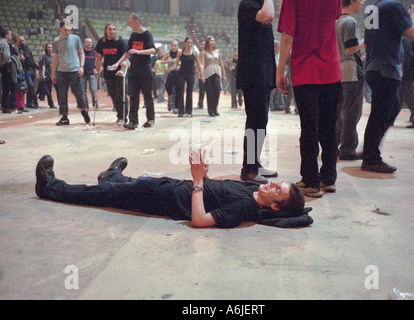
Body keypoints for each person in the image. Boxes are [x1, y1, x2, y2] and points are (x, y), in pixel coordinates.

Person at [34, 150, 312, 229]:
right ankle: (113, 176)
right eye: (278, 182)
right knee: (133, 183)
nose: (273, 183)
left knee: (100, 196)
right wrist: (205, 174)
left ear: (274, 206)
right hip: (172, 187)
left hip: (164, 200)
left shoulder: (247, 208)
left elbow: (200, 220)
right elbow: (221, 187)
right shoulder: (252, 189)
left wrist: (199, 180)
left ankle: (50, 187)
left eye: (278, 190)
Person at [276, 0, 342, 197]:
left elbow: (287, 36)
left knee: (309, 127)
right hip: (331, 67)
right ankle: (328, 179)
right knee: (329, 126)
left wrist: (280, 71)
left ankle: (311, 181)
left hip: (305, 69)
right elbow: (334, 18)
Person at [361, 0, 414, 173]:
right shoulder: (392, 6)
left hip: (374, 66)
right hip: (385, 69)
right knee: (380, 114)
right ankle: (371, 158)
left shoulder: (374, 8)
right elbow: (412, 33)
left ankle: (369, 151)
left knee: (391, 108)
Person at [238, 0, 277, 185]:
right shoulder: (248, 4)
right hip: (253, 72)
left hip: (264, 72)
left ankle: (256, 163)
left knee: (261, 120)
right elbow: (268, 16)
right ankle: (249, 170)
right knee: (255, 120)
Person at [111, 13, 156, 130]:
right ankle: (133, 121)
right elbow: (128, 52)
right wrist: (117, 63)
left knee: (147, 96)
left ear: (136, 22)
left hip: (145, 71)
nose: (129, 25)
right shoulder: (133, 35)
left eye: (130, 22)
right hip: (134, 71)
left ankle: (150, 119)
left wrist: (139, 52)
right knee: (133, 96)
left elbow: (153, 50)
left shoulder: (147, 35)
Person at [336, 0, 365, 160]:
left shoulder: (335, 21)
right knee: (352, 112)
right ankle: (347, 149)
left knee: (340, 111)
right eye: (361, 0)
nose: (363, 2)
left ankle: (335, 146)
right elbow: (350, 49)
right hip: (351, 71)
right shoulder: (350, 22)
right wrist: (364, 43)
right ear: (352, 1)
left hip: (338, 72)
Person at [51, 20, 90, 126]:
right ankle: (64, 117)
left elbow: (82, 53)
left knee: (79, 93)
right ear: (60, 29)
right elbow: (55, 58)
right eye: (65, 30)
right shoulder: (56, 41)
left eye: (69, 30)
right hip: (62, 71)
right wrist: (53, 73)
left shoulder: (76, 39)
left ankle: (83, 109)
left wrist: (81, 67)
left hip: (74, 70)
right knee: (62, 95)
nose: (68, 32)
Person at [95, 22, 129, 125]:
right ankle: (119, 116)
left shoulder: (120, 42)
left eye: (114, 29)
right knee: (113, 95)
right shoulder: (101, 42)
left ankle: (123, 116)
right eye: (110, 29)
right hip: (108, 73)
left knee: (120, 95)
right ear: (106, 30)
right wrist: (97, 69)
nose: (112, 31)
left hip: (119, 72)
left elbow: (126, 57)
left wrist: (122, 70)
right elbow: (99, 57)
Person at [173, 36, 204, 117]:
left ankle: (188, 112)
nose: (190, 44)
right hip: (181, 74)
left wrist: (202, 75)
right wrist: (173, 71)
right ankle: (181, 111)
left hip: (191, 74)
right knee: (180, 92)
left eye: (191, 43)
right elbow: (176, 63)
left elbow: (199, 64)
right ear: (185, 43)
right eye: (188, 42)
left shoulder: (195, 53)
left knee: (189, 92)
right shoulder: (180, 52)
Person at [201, 35, 226, 117]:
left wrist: (224, 74)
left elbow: (221, 63)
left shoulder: (217, 51)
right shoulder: (204, 52)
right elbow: (202, 64)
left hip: (217, 72)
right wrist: (201, 75)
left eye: (214, 41)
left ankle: (215, 108)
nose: (213, 42)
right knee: (209, 92)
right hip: (208, 73)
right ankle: (210, 110)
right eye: (211, 40)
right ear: (208, 42)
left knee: (217, 91)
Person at [18, 36, 39, 109]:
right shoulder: (19, 50)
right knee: (31, 86)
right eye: (20, 41)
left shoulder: (27, 48)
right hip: (26, 70)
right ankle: (35, 102)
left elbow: (32, 59)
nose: (22, 42)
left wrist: (36, 68)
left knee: (32, 88)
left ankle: (30, 103)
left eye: (23, 40)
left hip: (32, 70)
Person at [162, 39, 182, 114]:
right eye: (173, 45)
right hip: (170, 74)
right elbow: (162, 61)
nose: (174, 47)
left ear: (178, 46)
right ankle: (170, 103)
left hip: (179, 73)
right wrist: (168, 61)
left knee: (177, 91)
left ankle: (175, 106)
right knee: (169, 89)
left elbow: (184, 62)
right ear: (171, 45)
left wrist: (178, 63)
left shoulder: (180, 52)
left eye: (175, 45)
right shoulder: (168, 53)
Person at [1, 28, 16, 114]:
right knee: (6, 87)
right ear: (6, 35)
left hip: (1, 66)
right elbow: (7, 57)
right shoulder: (5, 44)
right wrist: (12, 61)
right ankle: (5, 107)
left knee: (4, 87)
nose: (11, 36)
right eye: (10, 34)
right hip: (5, 67)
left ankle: (4, 106)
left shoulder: (1, 42)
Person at [39, 43, 57, 109]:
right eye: (48, 47)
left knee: (58, 90)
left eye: (51, 47)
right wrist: (43, 75)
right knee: (48, 91)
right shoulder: (45, 56)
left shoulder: (55, 56)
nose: (50, 49)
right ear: (46, 48)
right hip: (48, 75)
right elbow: (43, 66)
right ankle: (51, 104)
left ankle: (61, 104)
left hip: (56, 75)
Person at [81, 38, 98, 111]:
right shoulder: (81, 51)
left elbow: (97, 61)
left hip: (92, 74)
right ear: (84, 43)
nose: (89, 44)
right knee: (83, 91)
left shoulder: (94, 52)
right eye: (88, 42)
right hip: (83, 74)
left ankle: (95, 103)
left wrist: (96, 68)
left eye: (90, 42)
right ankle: (85, 106)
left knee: (93, 90)